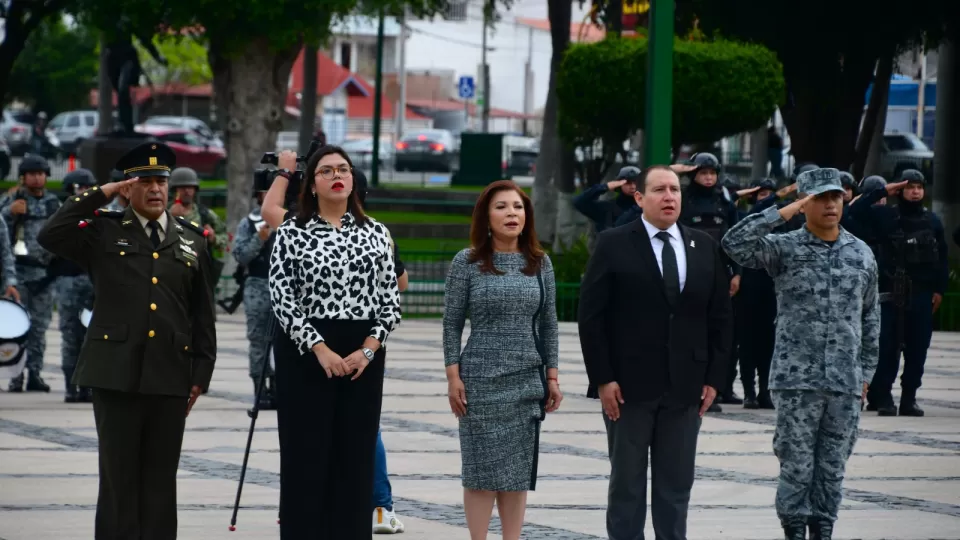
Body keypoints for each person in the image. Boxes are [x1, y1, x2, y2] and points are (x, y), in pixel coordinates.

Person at [36, 141, 218, 539]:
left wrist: (200, 373)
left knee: (159, 478)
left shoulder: (192, 239)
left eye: (161, 182)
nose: (155, 189)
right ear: (127, 188)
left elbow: (203, 313)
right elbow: (51, 234)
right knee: (118, 477)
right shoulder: (103, 230)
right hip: (114, 373)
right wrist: (102, 193)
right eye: (145, 181)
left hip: (170, 374)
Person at [721, 167, 880, 540]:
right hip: (796, 380)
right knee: (795, 463)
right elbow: (734, 244)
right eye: (820, 198)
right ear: (804, 203)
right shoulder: (784, 248)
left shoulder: (861, 254)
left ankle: (823, 528)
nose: (830, 204)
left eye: (836, 197)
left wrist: (867, 375)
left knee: (833, 464)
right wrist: (783, 211)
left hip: (845, 381)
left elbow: (871, 317)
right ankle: (793, 528)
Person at [578, 165, 731, 540]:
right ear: (639, 198)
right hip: (627, 388)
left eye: (675, 190)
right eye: (660, 190)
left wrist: (715, 379)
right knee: (627, 487)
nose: (669, 197)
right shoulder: (614, 243)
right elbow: (591, 317)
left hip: (686, 388)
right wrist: (603, 378)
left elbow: (721, 319)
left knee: (676, 486)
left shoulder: (704, 246)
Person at [268, 145, 401, 539]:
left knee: (355, 456)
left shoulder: (377, 232)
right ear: (311, 185)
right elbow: (282, 296)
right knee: (306, 456)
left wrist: (367, 349)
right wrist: (319, 348)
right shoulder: (292, 230)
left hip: (363, 352)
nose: (336, 175)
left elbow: (390, 301)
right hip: (305, 352)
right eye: (325, 171)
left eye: (343, 169)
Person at [442, 179, 562, 540]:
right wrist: (453, 377)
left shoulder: (540, 263)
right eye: (501, 207)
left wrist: (552, 377)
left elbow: (549, 324)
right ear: (486, 216)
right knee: (480, 474)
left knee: (515, 475)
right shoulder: (468, 262)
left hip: (526, 381)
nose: (511, 213)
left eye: (518, 207)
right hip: (478, 381)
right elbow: (451, 324)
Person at [848, 170, 946, 417]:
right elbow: (852, 213)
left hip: (921, 294)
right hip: (892, 293)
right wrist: (883, 191)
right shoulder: (886, 215)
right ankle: (884, 397)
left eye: (919, 187)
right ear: (899, 190)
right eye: (910, 187)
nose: (915, 192)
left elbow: (941, 258)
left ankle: (909, 398)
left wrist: (938, 289)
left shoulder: (931, 221)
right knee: (887, 347)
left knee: (917, 348)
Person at [677, 152, 741, 409]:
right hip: (692, 269)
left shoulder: (724, 200)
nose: (708, 178)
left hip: (721, 270)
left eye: (712, 173)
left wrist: (737, 272)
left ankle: (723, 387)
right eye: (703, 173)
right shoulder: (683, 198)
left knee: (723, 332)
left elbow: (736, 239)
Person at [1, 154, 61, 392]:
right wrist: (10, 212)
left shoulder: (53, 203)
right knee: (17, 328)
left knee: (40, 327)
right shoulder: (12, 200)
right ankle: (16, 376)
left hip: (44, 274)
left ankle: (35, 373)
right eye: (32, 174)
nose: (37, 178)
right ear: (23, 177)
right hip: (18, 273)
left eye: (41, 173)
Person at [232, 182, 278, 410]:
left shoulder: (291, 220)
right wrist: (259, 238)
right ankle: (260, 389)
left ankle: (280, 388)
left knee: (286, 341)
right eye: (265, 190)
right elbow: (241, 256)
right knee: (258, 340)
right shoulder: (248, 224)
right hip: (258, 286)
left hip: (285, 287)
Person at [57, 168, 99, 403]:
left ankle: (89, 385)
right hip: (68, 280)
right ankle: (71, 386)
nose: (84, 192)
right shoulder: (61, 216)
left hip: (94, 281)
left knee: (92, 336)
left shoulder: (101, 215)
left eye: (88, 188)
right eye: (80, 188)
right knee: (70, 335)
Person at [168, 167, 227, 292]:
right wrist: (169, 217)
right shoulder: (163, 213)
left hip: (200, 271)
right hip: (172, 270)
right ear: (174, 190)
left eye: (191, 187)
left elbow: (224, 237)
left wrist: (214, 237)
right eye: (183, 188)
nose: (187, 191)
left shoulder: (204, 214)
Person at [572, 166, 641, 232]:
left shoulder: (645, 209)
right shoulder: (607, 208)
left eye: (636, 183)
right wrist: (605, 186)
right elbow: (578, 202)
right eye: (628, 183)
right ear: (619, 184)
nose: (632, 186)